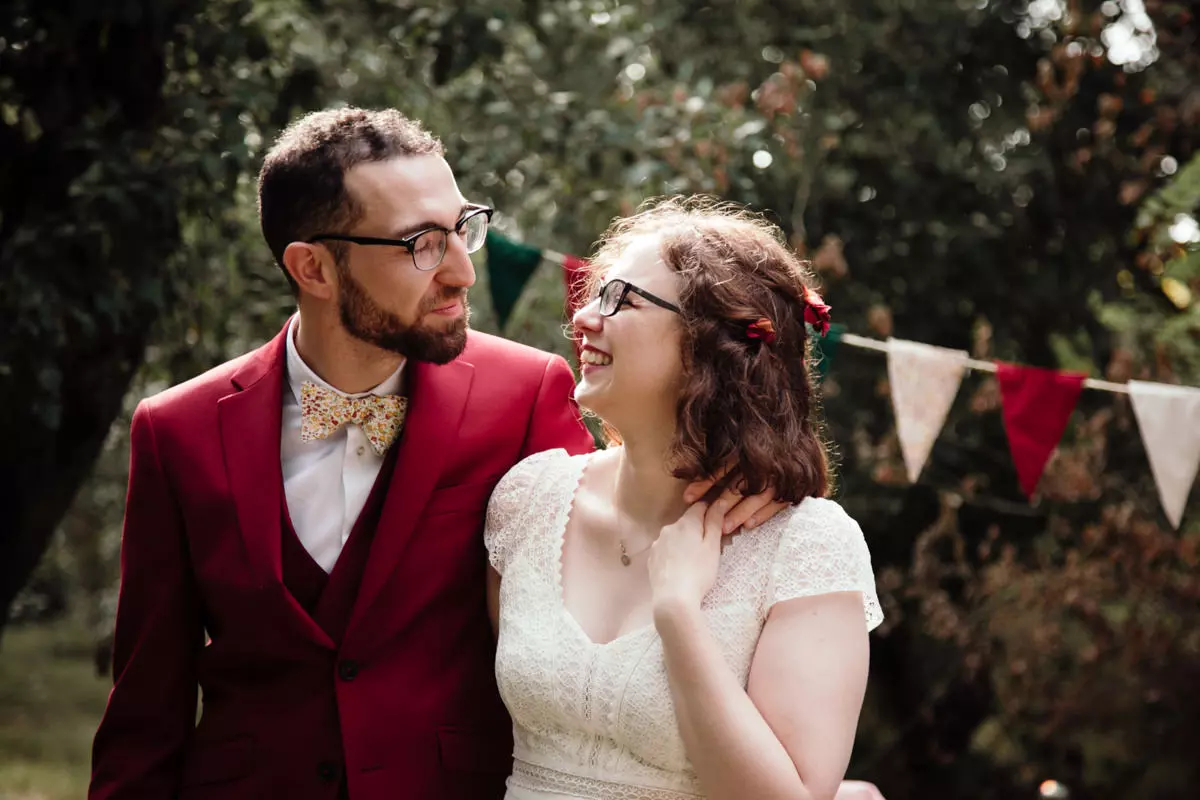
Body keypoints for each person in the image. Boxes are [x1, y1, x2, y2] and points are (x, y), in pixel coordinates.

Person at [87, 108, 787, 800]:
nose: (461, 272)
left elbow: (616, 556)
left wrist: (749, 475)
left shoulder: (524, 396)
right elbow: (145, 714)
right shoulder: (175, 430)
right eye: (421, 243)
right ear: (314, 269)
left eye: (463, 230)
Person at [484, 197, 884, 800]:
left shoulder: (806, 546)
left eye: (621, 299)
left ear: (710, 348)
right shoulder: (528, 500)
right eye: (595, 294)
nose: (584, 319)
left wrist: (677, 613)